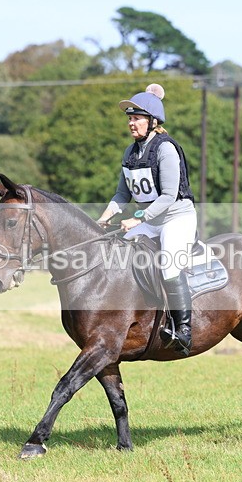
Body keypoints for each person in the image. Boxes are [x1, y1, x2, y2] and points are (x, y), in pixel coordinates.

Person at [97, 84, 197, 356]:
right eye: (130, 118)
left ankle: (184, 330)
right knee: (116, 256)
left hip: (176, 218)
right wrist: (104, 218)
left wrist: (137, 218)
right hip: (150, 220)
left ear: (153, 121)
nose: (131, 123)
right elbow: (122, 194)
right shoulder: (130, 153)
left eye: (137, 118)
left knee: (169, 267)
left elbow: (167, 196)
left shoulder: (166, 149)